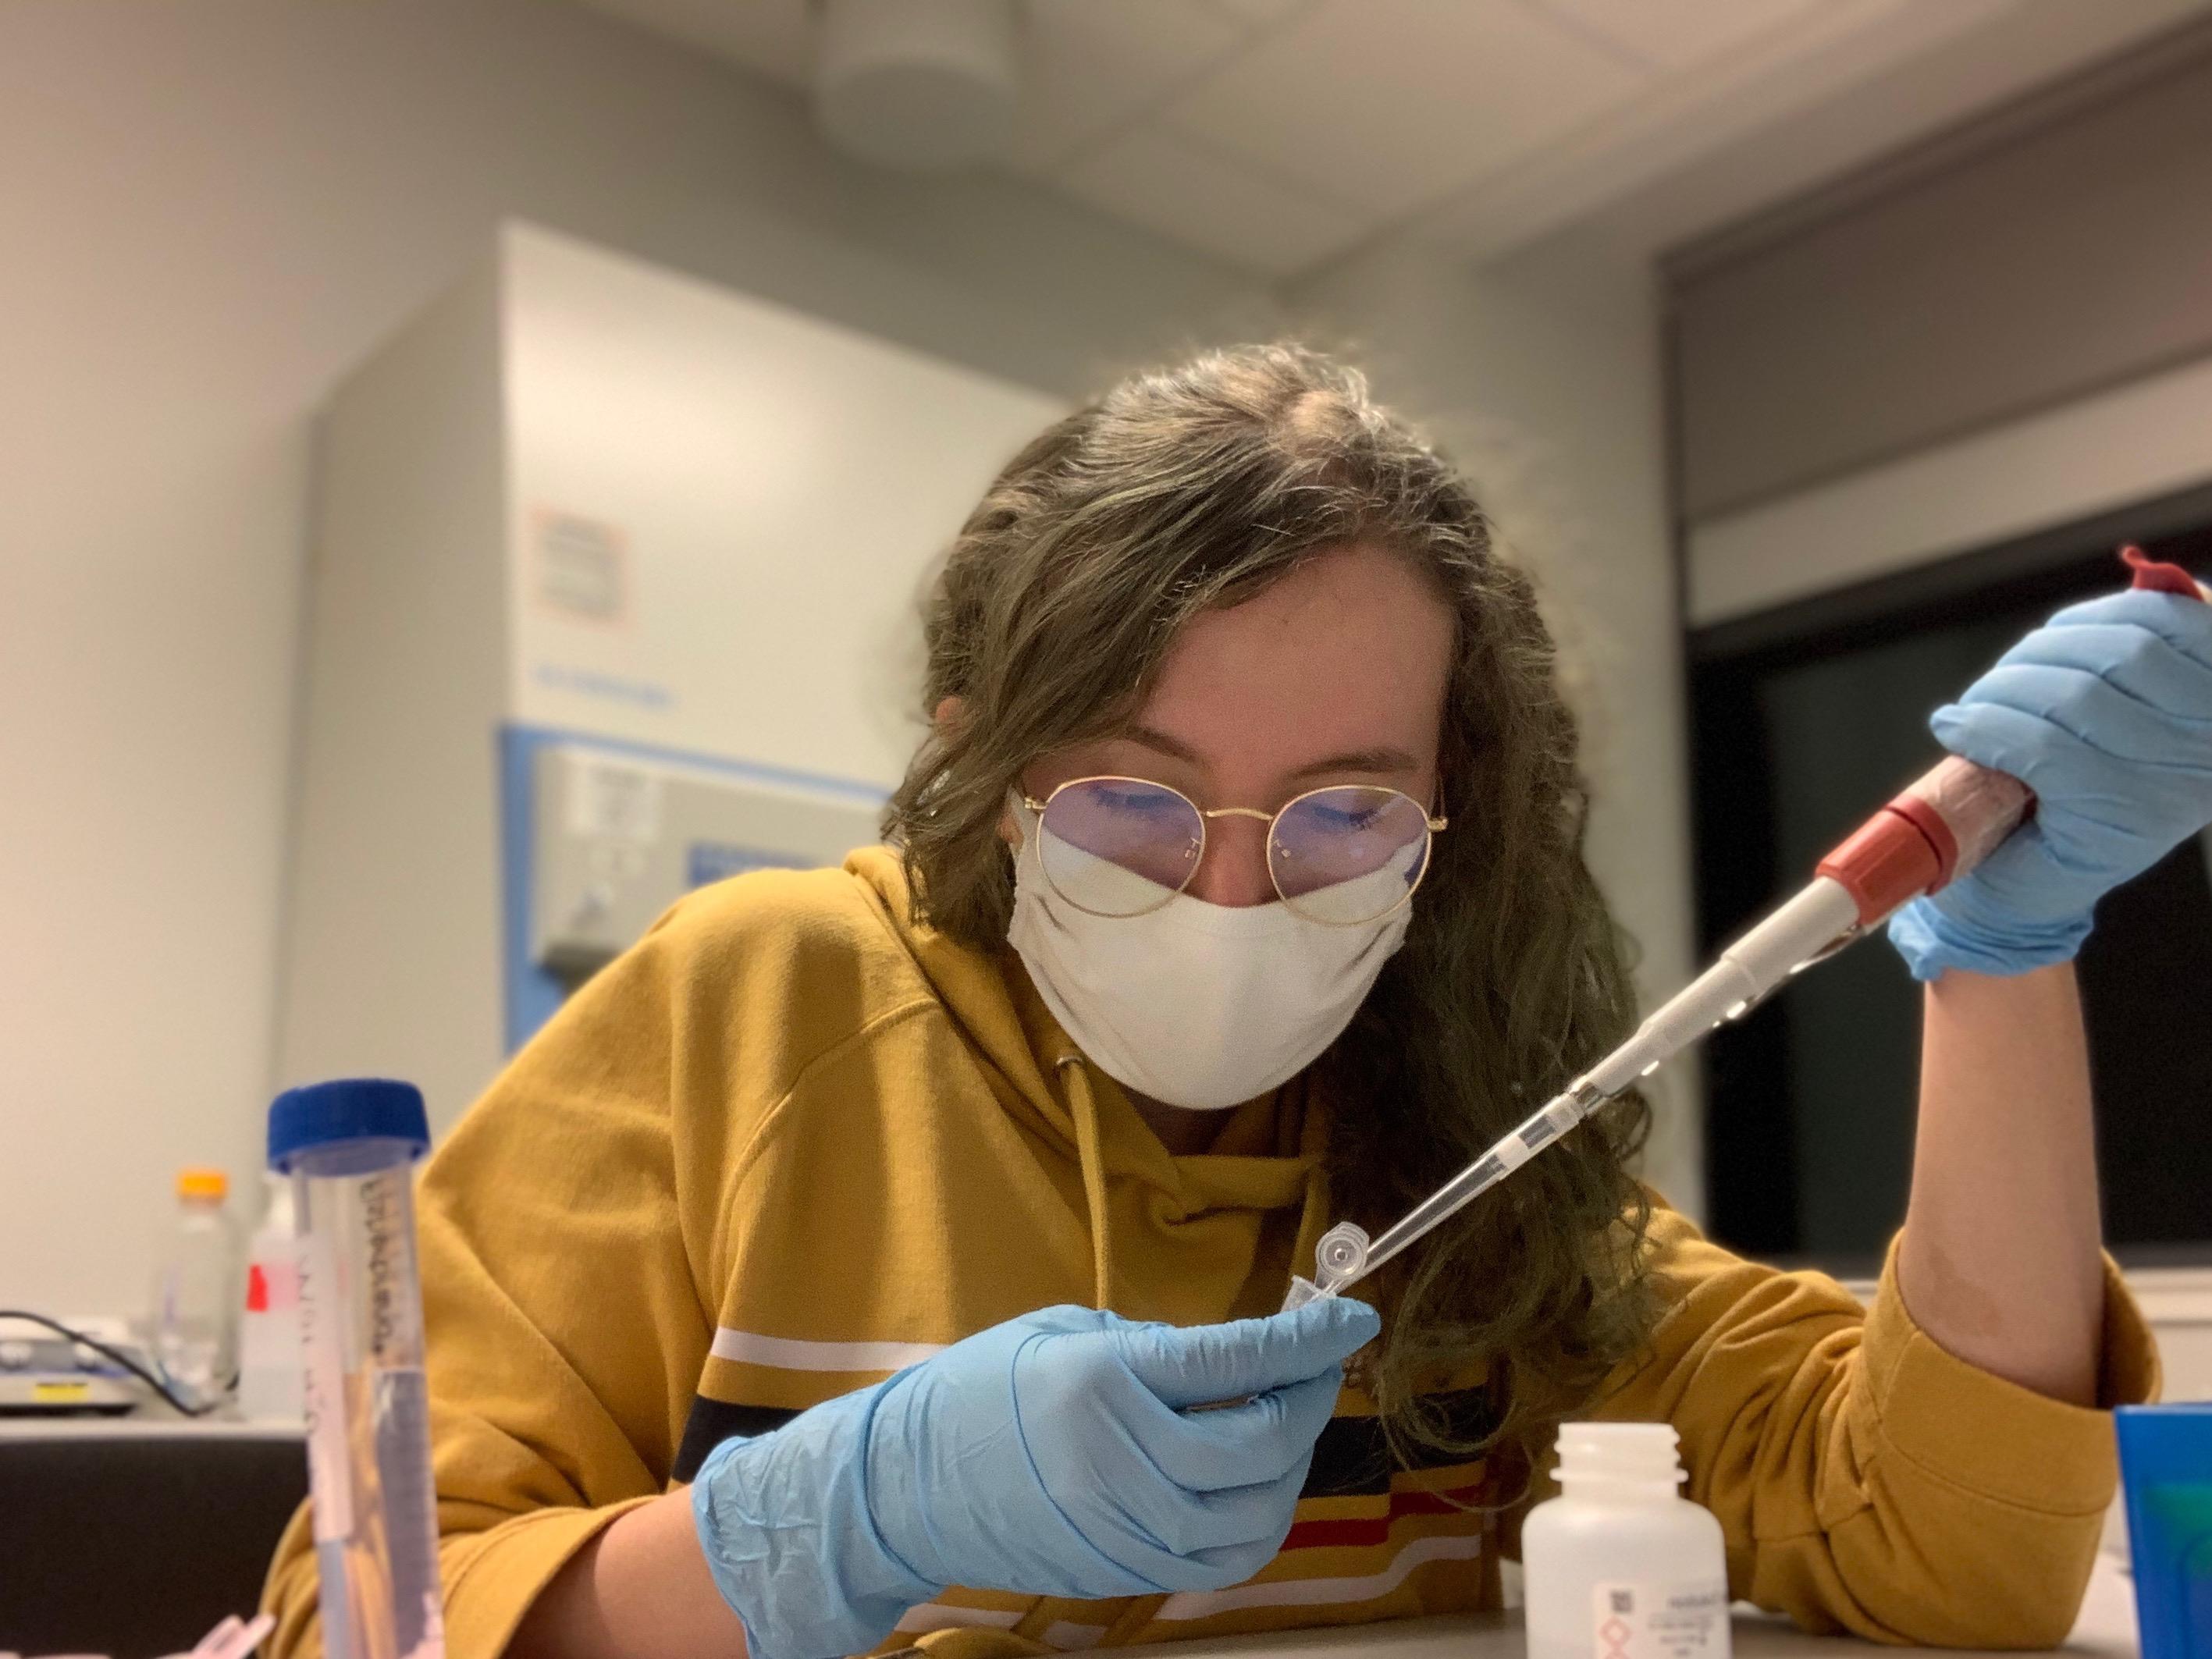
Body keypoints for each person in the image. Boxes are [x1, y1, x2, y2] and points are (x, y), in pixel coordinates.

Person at [263, 345, 2208, 1659]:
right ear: (982, 760)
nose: (1227, 890)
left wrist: (2007, 964)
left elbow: (1957, 1548)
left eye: (1342, 810)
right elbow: (354, 1614)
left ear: (1454, 818)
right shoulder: (758, 1008)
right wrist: (822, 1525)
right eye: (1129, 793)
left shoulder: (1473, 1158)